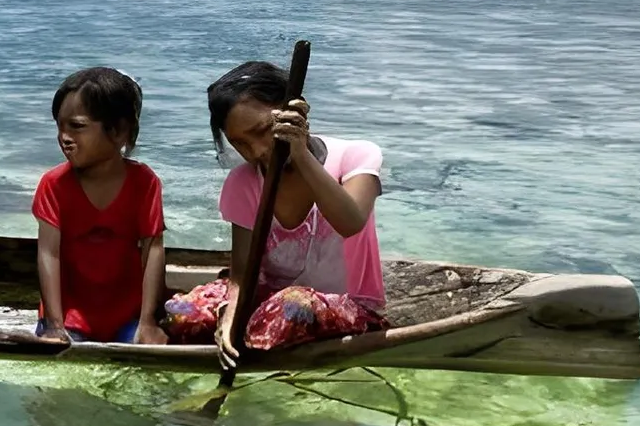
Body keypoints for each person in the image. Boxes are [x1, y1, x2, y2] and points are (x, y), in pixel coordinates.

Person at [175, 61, 384, 357]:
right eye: (240, 144)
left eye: (262, 131)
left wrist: (300, 153)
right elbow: (242, 275)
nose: (257, 151)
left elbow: (350, 221)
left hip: (349, 306)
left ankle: (253, 344)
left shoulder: (356, 156)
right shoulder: (243, 182)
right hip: (268, 302)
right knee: (184, 313)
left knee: (291, 307)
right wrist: (231, 317)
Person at [33, 67, 168, 345]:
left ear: (118, 131)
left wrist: (148, 322)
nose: (64, 137)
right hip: (70, 318)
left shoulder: (144, 182)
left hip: (127, 316)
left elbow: (152, 251)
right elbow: (49, 255)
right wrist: (55, 326)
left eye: (77, 127)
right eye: (60, 126)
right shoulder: (53, 185)